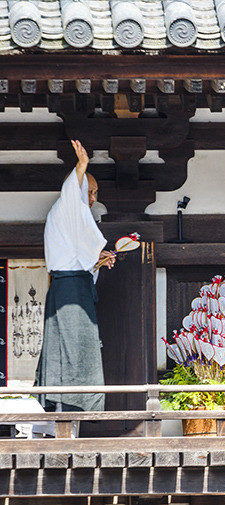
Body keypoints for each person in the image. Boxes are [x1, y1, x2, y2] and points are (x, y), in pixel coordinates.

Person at [36, 140, 115, 414]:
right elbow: (72, 192)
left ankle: (76, 411)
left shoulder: (77, 218)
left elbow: (79, 257)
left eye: (95, 193)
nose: (92, 198)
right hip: (68, 292)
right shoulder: (67, 206)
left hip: (75, 286)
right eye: (90, 191)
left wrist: (98, 261)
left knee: (81, 351)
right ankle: (62, 412)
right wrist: (81, 167)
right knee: (67, 352)